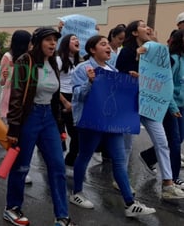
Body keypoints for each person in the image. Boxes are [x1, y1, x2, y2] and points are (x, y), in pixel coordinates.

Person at [70, 35, 156, 217]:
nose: (108, 47)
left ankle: (130, 203)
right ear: (92, 50)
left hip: (112, 123)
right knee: (84, 156)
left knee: (118, 159)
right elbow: (77, 95)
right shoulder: (82, 68)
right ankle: (76, 192)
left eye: (108, 44)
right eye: (103, 44)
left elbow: (118, 96)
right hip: (91, 122)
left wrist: (134, 83)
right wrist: (90, 83)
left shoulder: (112, 69)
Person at [4, 27, 76, 226]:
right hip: (29, 117)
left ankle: (62, 216)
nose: (53, 44)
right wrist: (14, 129)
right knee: (21, 166)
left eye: (55, 40)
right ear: (37, 42)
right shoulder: (24, 62)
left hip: (48, 118)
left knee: (58, 166)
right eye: (48, 40)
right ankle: (12, 208)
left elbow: (54, 98)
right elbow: (16, 97)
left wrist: (60, 126)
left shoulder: (53, 62)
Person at [116, 20, 184, 199]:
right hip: (131, 104)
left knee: (162, 141)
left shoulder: (155, 51)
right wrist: (137, 70)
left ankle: (168, 184)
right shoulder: (127, 52)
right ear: (134, 33)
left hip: (151, 104)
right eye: (142, 25)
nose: (147, 28)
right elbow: (120, 76)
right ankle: (121, 180)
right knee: (127, 145)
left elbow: (165, 76)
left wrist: (156, 41)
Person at [137, 29, 184, 189]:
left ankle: (148, 157)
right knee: (173, 141)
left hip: (178, 105)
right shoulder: (172, 59)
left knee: (176, 139)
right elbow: (165, 85)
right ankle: (173, 178)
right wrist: (172, 106)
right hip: (165, 105)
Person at [0, 30, 32, 179]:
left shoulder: (29, 58)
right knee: (13, 135)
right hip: (10, 99)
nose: (31, 44)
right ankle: (18, 169)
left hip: (24, 99)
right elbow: (2, 82)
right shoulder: (7, 57)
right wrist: (5, 76)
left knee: (16, 135)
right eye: (29, 41)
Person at [56, 34, 81, 167]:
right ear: (66, 43)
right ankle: (55, 163)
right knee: (59, 134)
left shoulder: (79, 61)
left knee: (76, 134)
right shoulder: (59, 60)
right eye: (73, 39)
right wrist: (65, 102)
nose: (77, 41)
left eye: (78, 39)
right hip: (60, 97)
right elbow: (53, 84)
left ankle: (69, 161)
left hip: (74, 98)